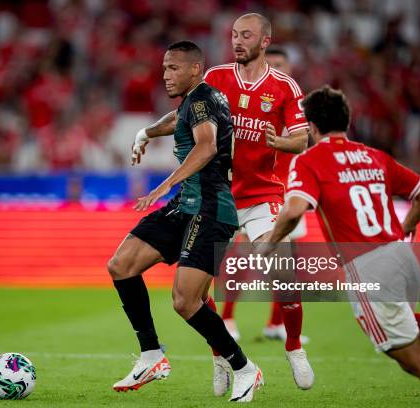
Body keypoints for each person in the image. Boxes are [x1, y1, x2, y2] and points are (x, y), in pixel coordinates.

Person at [134, 13, 314, 395]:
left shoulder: (284, 86)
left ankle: (294, 346)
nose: (237, 41)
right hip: (216, 196)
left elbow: (301, 140)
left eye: (245, 35)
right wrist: (147, 131)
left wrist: (277, 142)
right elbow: (183, 117)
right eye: (234, 34)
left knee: (282, 274)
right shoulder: (215, 77)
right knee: (197, 292)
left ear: (265, 41)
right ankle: (220, 356)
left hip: (262, 195)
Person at [266, 85, 420, 400]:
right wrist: (405, 227)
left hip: (369, 267)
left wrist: (269, 242)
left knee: (415, 362)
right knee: (404, 325)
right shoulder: (374, 155)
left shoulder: (310, 160)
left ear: (312, 126)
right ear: (346, 121)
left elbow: (293, 210)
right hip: (403, 256)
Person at [109, 40, 263, 403]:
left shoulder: (203, 99)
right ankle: (151, 356)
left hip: (212, 208)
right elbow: (177, 121)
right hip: (187, 204)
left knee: (185, 301)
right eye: (164, 68)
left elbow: (206, 146)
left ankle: (244, 368)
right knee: (122, 264)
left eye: (173, 68)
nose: (165, 75)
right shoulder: (199, 101)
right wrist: (146, 133)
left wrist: (162, 185)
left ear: (195, 69)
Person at [219, 46, 311, 345]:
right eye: (270, 64)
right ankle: (228, 317)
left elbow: (305, 144)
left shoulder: (293, 102)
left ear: (290, 68)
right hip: (254, 190)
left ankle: (276, 323)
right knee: (244, 254)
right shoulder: (251, 100)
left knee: (285, 261)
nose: (274, 69)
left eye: (280, 64)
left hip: (288, 188)